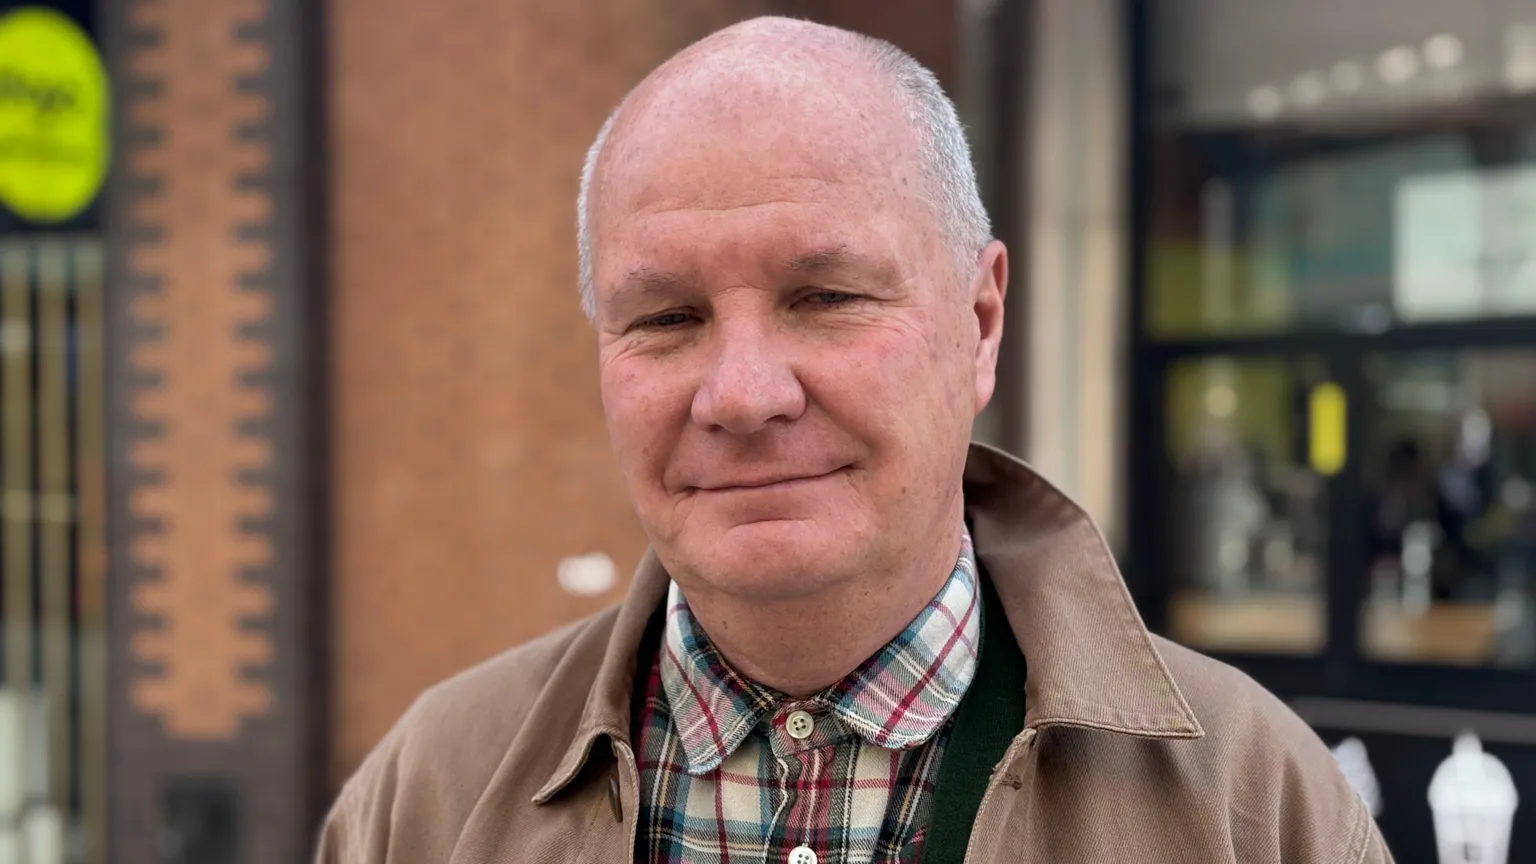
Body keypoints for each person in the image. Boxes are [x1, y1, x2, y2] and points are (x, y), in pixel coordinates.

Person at [317, 16, 1392, 864]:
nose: (742, 393)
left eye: (826, 295)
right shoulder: (425, 798)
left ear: (979, 325)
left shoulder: (1254, 809)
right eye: (666, 319)